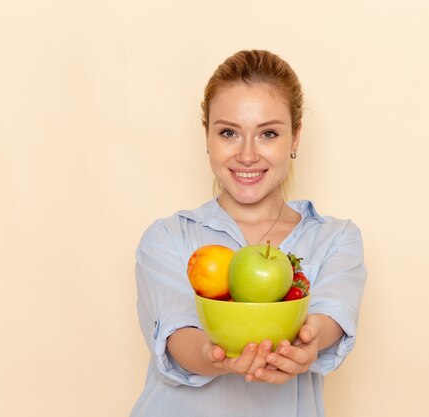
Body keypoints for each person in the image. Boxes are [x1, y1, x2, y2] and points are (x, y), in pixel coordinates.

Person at [130, 49, 367, 417]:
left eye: (268, 133)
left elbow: (331, 316)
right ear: (207, 137)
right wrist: (219, 359)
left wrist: (308, 340)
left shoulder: (335, 239)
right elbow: (177, 338)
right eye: (229, 133)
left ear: (295, 138)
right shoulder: (168, 238)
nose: (247, 155)